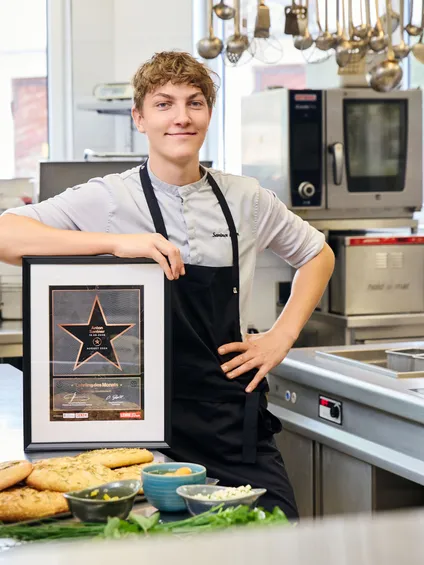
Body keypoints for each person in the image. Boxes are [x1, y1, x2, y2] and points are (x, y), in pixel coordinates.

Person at [0, 51, 334, 520]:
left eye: (194, 103)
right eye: (164, 104)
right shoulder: (110, 198)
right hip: (140, 430)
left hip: (230, 420)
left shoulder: (247, 198)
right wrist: (115, 244)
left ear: (209, 114)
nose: (181, 117)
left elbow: (317, 254)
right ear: (139, 117)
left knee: (277, 533)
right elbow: (6, 234)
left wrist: (282, 336)